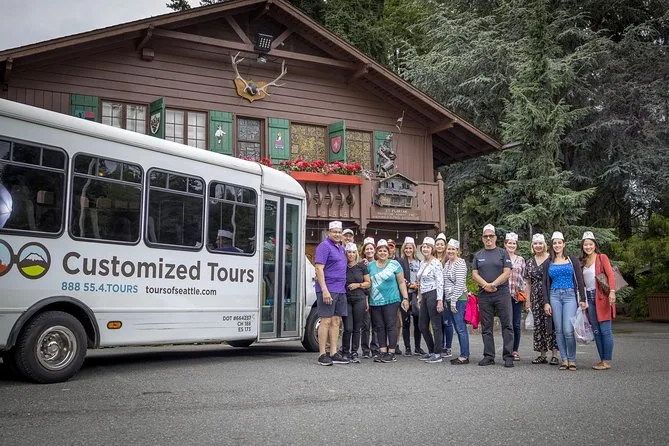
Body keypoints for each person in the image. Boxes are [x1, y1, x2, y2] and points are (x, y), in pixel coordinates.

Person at [542, 231, 586, 371]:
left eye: (559, 243)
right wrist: (546, 302)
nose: (557, 245)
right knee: (559, 330)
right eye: (554, 243)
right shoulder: (548, 262)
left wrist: (583, 298)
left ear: (564, 244)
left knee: (568, 330)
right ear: (552, 245)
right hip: (554, 296)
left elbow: (579, 280)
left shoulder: (572, 260)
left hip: (569, 296)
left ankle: (572, 359)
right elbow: (544, 284)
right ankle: (564, 360)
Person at [472, 224, 515, 367]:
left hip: (501, 293)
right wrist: (486, 285)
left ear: (495, 237)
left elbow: (507, 272)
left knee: (507, 325)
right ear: (482, 238)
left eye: (491, 236)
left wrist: (494, 284)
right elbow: (474, 273)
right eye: (485, 236)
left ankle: (508, 356)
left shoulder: (503, 253)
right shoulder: (478, 255)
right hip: (484, 294)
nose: (488, 238)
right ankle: (489, 356)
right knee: (486, 326)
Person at [367, 239, 410, 363]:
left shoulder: (394, 264)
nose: (382, 253)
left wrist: (405, 298)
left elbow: (401, 282)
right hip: (375, 301)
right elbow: (367, 282)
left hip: (392, 300)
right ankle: (383, 351)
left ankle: (391, 352)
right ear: (376, 252)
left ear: (388, 252)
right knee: (379, 326)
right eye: (380, 251)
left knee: (391, 325)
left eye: (385, 251)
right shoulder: (370, 265)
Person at [314, 220, 350, 366]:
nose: (337, 234)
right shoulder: (324, 246)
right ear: (329, 232)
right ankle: (322, 354)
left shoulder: (341, 248)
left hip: (340, 289)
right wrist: (324, 290)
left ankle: (333, 352)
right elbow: (319, 268)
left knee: (336, 321)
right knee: (326, 321)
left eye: (339, 232)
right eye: (334, 232)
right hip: (328, 289)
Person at [579, 231, 617, 370]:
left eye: (590, 244)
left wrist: (612, 291)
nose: (588, 247)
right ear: (582, 246)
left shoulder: (602, 257)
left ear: (595, 245)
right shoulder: (582, 262)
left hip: (602, 297)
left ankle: (606, 360)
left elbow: (610, 275)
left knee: (605, 330)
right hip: (589, 298)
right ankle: (602, 360)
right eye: (585, 245)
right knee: (596, 330)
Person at [524, 234, 559, 365]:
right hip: (535, 295)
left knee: (552, 323)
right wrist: (528, 300)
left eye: (540, 243)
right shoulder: (529, 262)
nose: (538, 246)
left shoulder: (551, 259)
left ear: (544, 245)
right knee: (539, 325)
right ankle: (542, 354)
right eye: (535, 243)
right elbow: (528, 282)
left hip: (550, 293)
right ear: (532, 246)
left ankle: (555, 355)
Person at [417, 237, 445, 363]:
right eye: (423, 247)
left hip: (434, 293)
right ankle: (431, 350)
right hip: (424, 294)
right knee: (422, 325)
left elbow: (440, 282)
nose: (425, 249)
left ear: (432, 249)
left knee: (435, 325)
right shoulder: (422, 263)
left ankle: (438, 353)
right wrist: (419, 296)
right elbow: (420, 281)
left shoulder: (436, 263)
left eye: (428, 247)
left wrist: (439, 300)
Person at [341, 242, 370, 363]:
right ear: (345, 253)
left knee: (357, 327)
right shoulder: (342, 266)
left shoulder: (361, 266)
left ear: (356, 253)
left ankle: (354, 352)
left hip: (359, 298)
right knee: (348, 327)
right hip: (346, 299)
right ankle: (345, 351)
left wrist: (358, 285)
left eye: (353, 252)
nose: (351, 254)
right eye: (349, 252)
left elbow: (368, 283)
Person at [444, 238, 469, 365]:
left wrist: (453, 300)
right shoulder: (447, 263)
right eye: (449, 249)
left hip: (458, 299)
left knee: (460, 328)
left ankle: (464, 355)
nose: (450, 251)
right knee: (457, 327)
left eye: (453, 249)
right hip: (449, 298)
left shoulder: (460, 263)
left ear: (457, 251)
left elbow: (459, 283)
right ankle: (463, 353)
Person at [401, 236, 425, 356]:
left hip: (416, 294)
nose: (408, 250)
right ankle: (407, 347)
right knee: (405, 321)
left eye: (410, 248)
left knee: (417, 321)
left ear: (414, 249)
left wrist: (417, 284)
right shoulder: (400, 262)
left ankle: (417, 347)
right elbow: (400, 277)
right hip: (405, 294)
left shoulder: (419, 262)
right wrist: (409, 285)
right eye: (406, 248)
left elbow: (422, 276)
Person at [504, 232, 526, 361]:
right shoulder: (501, 258)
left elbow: (524, 278)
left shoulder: (521, 259)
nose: (511, 245)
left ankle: (515, 350)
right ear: (505, 244)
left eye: (514, 243)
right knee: (507, 324)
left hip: (517, 295)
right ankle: (507, 349)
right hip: (504, 295)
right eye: (509, 243)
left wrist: (525, 295)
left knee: (516, 324)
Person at [435, 233, 454, 357]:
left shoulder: (449, 259)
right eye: (437, 244)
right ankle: (440, 345)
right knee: (438, 321)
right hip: (435, 293)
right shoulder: (432, 258)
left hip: (446, 293)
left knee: (447, 321)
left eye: (442, 244)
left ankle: (448, 347)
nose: (439, 246)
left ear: (445, 246)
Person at [360, 237, 379, 358]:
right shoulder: (361, 264)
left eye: (371, 248)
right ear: (364, 251)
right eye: (367, 249)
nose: (369, 251)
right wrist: (365, 299)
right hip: (365, 297)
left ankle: (375, 348)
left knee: (376, 325)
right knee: (365, 325)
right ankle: (365, 350)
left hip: (377, 297)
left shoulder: (379, 263)